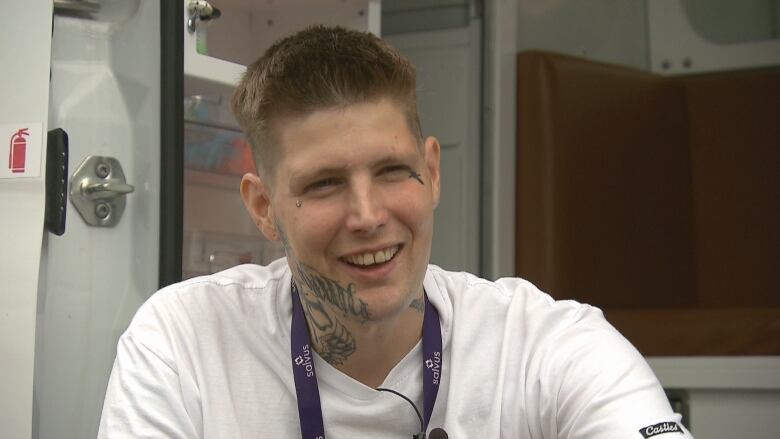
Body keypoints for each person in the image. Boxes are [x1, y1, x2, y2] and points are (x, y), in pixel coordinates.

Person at [97, 26, 694, 439]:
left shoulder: (545, 346)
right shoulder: (182, 342)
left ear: (431, 172)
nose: (367, 215)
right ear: (263, 207)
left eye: (391, 171)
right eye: (325, 183)